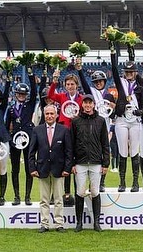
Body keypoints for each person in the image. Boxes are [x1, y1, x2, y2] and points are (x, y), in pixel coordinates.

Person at [29, 104, 72, 233]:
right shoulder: (37, 130)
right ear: (44, 115)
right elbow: (31, 152)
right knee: (44, 199)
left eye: (52, 114)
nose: (49, 116)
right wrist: (32, 168)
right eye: (47, 114)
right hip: (42, 169)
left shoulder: (64, 130)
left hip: (59, 169)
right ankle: (44, 224)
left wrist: (67, 168)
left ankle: (59, 224)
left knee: (59, 199)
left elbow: (68, 152)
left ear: (57, 115)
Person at [71, 94, 110, 232]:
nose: (87, 106)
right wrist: (72, 163)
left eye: (90, 103)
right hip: (80, 162)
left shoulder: (100, 121)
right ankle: (79, 222)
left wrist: (106, 163)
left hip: (96, 162)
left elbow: (105, 143)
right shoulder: (75, 121)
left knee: (95, 191)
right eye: (85, 103)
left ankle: (97, 223)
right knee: (80, 192)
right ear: (82, 105)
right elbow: (71, 143)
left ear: (94, 104)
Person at [110, 47, 143, 192]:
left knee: (134, 151)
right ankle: (122, 182)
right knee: (123, 151)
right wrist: (113, 52)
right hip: (122, 120)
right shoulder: (121, 84)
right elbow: (113, 69)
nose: (129, 74)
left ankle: (136, 182)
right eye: (127, 72)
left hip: (135, 121)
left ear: (135, 73)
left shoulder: (141, 87)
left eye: (131, 72)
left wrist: (139, 111)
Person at [76, 59, 115, 192]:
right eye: (96, 82)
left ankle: (101, 182)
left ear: (104, 81)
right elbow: (85, 85)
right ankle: (89, 182)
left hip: (105, 126)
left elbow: (113, 113)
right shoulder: (91, 92)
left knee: (104, 152)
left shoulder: (110, 95)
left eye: (100, 81)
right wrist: (80, 70)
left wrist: (113, 107)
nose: (98, 83)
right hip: (92, 124)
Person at [48, 70, 83, 206]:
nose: (70, 86)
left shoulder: (81, 98)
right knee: (64, 163)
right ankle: (66, 194)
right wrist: (54, 80)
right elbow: (51, 95)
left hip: (76, 133)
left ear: (76, 85)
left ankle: (78, 193)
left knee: (75, 163)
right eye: (68, 84)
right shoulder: (62, 97)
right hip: (63, 132)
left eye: (72, 84)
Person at [7, 71, 37, 206]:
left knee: (29, 169)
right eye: (19, 94)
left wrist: (30, 75)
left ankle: (27, 196)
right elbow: (7, 125)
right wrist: (9, 139)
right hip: (15, 141)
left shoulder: (29, 105)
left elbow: (35, 92)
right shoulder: (11, 108)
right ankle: (17, 196)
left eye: (23, 94)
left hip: (28, 140)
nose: (21, 96)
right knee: (15, 169)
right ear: (15, 94)